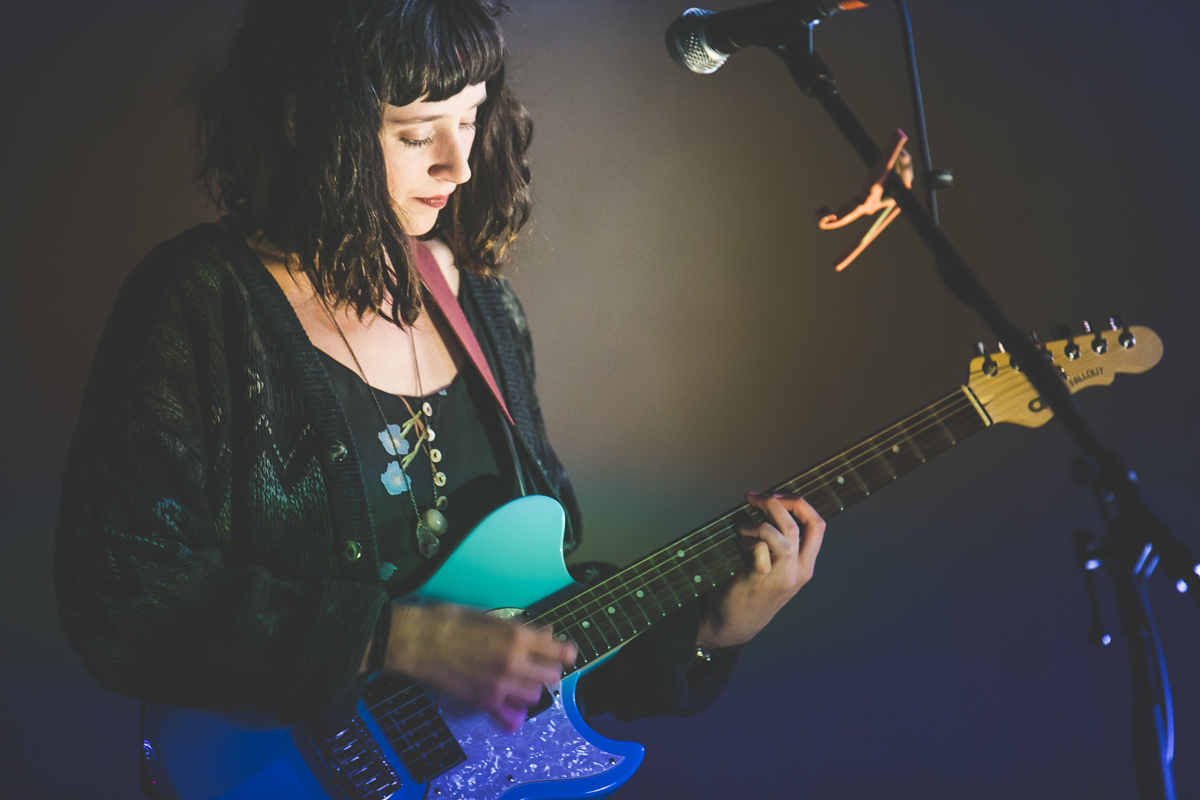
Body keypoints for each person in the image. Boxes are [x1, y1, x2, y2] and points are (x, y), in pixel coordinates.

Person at [54, 0, 825, 781]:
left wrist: (705, 630)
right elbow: (118, 596)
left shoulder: (483, 306)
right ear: (307, 122)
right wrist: (403, 641)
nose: (457, 164)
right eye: (417, 133)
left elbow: (536, 636)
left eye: (473, 118)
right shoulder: (197, 302)